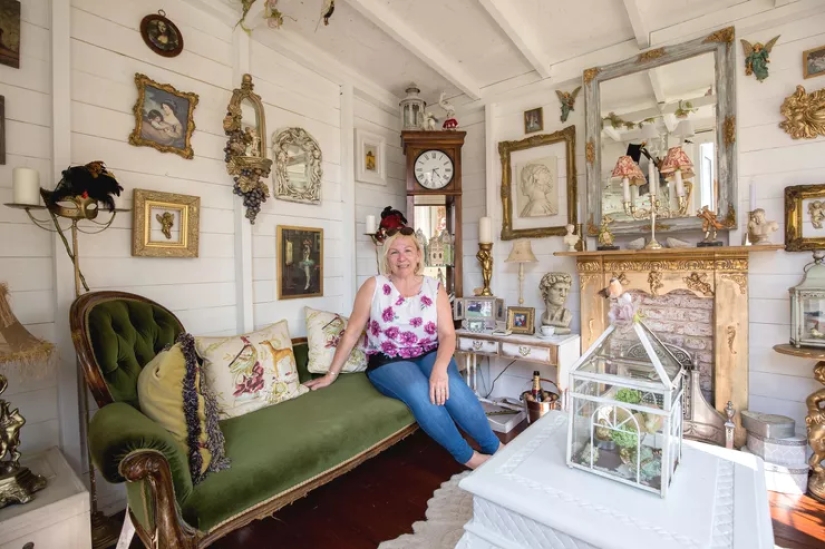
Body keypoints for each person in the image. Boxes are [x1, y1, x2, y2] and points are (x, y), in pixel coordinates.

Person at [305, 226, 502, 469]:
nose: (402, 258)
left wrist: (440, 369)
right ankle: (469, 458)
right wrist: (330, 374)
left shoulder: (434, 287)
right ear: (386, 258)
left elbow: (448, 334)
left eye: (408, 250)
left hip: (430, 352)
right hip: (388, 359)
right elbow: (353, 331)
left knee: (453, 386)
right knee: (421, 392)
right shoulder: (373, 286)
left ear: (419, 255)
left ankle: (495, 447)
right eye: (394, 253)